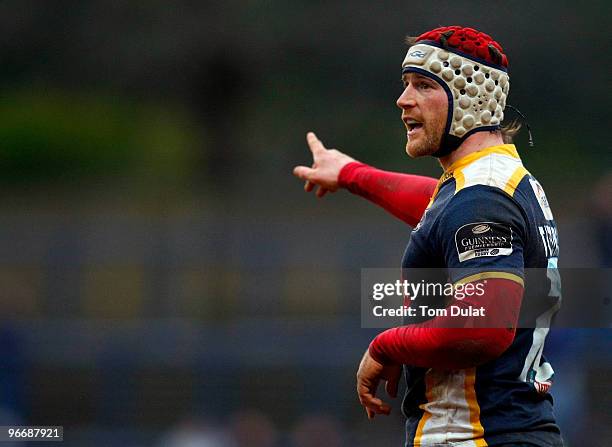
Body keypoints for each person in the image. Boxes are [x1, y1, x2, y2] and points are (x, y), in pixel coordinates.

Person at [293, 26, 562, 447]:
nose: (403, 100)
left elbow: (483, 327)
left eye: (423, 85)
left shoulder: (482, 198)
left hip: (475, 436)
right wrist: (350, 174)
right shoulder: (497, 182)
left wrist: (388, 346)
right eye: (405, 85)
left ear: (469, 97)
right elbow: (439, 211)